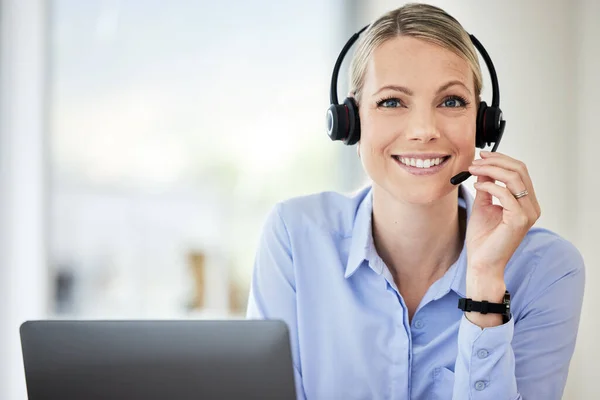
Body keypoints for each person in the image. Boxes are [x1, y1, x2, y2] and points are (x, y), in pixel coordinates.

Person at [246, 3, 585, 399]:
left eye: (452, 101)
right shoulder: (294, 237)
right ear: (351, 122)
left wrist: (486, 284)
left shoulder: (547, 268)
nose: (424, 130)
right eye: (392, 102)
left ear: (483, 122)